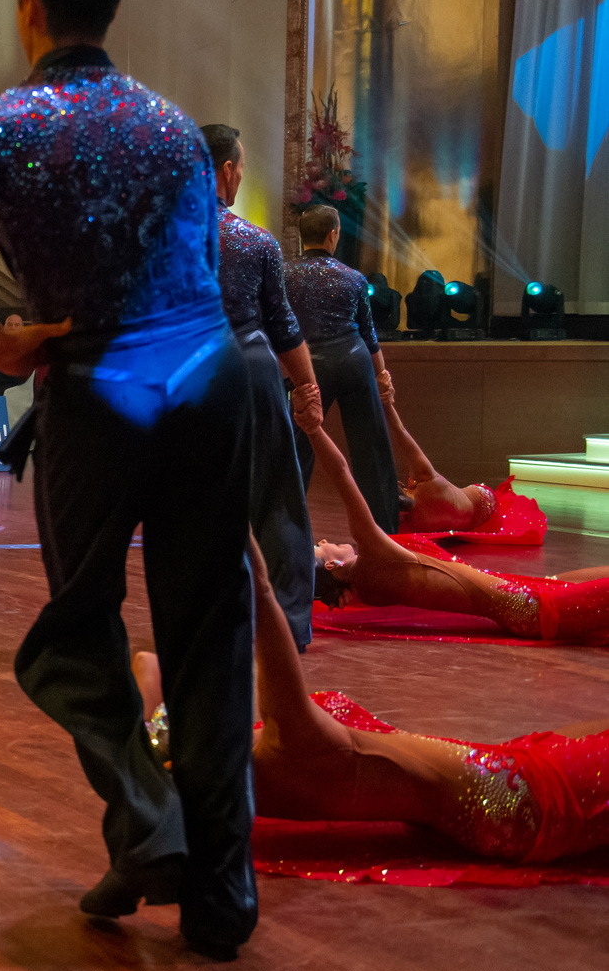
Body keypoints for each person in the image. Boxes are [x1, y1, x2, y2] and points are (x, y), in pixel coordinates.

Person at [0, 0, 256, 954]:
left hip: (98, 390)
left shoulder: (0, 129)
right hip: (213, 384)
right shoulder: (176, 129)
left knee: (75, 637)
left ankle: (148, 822)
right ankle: (218, 901)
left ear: (29, 9)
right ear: (111, 10)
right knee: (211, 638)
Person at [137, 533, 609, 866]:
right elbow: (256, 620)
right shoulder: (292, 743)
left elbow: (158, 672)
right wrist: (251, 560)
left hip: (508, 789)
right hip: (518, 796)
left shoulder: (258, 761)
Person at [202, 123, 326, 650]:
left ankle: (207, 625)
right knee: (277, 494)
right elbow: (283, 327)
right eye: (243, 170)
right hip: (249, 366)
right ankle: (290, 623)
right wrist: (308, 389)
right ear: (227, 173)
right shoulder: (257, 242)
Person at [304, 421, 601, 641]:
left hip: (525, 603)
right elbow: (342, 474)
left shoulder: (365, 590)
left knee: (560, 581)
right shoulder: (375, 557)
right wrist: (314, 428)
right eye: (320, 546)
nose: (325, 539)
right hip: (532, 608)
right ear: (332, 564)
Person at [288, 204, 401, 536]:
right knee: (372, 449)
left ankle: (286, 528)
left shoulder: (283, 274)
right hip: (353, 360)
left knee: (296, 447)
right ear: (332, 235)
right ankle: (387, 533)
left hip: (307, 367)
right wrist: (382, 377)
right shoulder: (353, 278)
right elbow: (369, 335)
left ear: (301, 236)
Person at [376, 373, 541, 540]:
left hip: (473, 526)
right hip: (486, 509)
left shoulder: (410, 525)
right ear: (398, 485)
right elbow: (400, 431)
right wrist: (386, 402)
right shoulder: (426, 480)